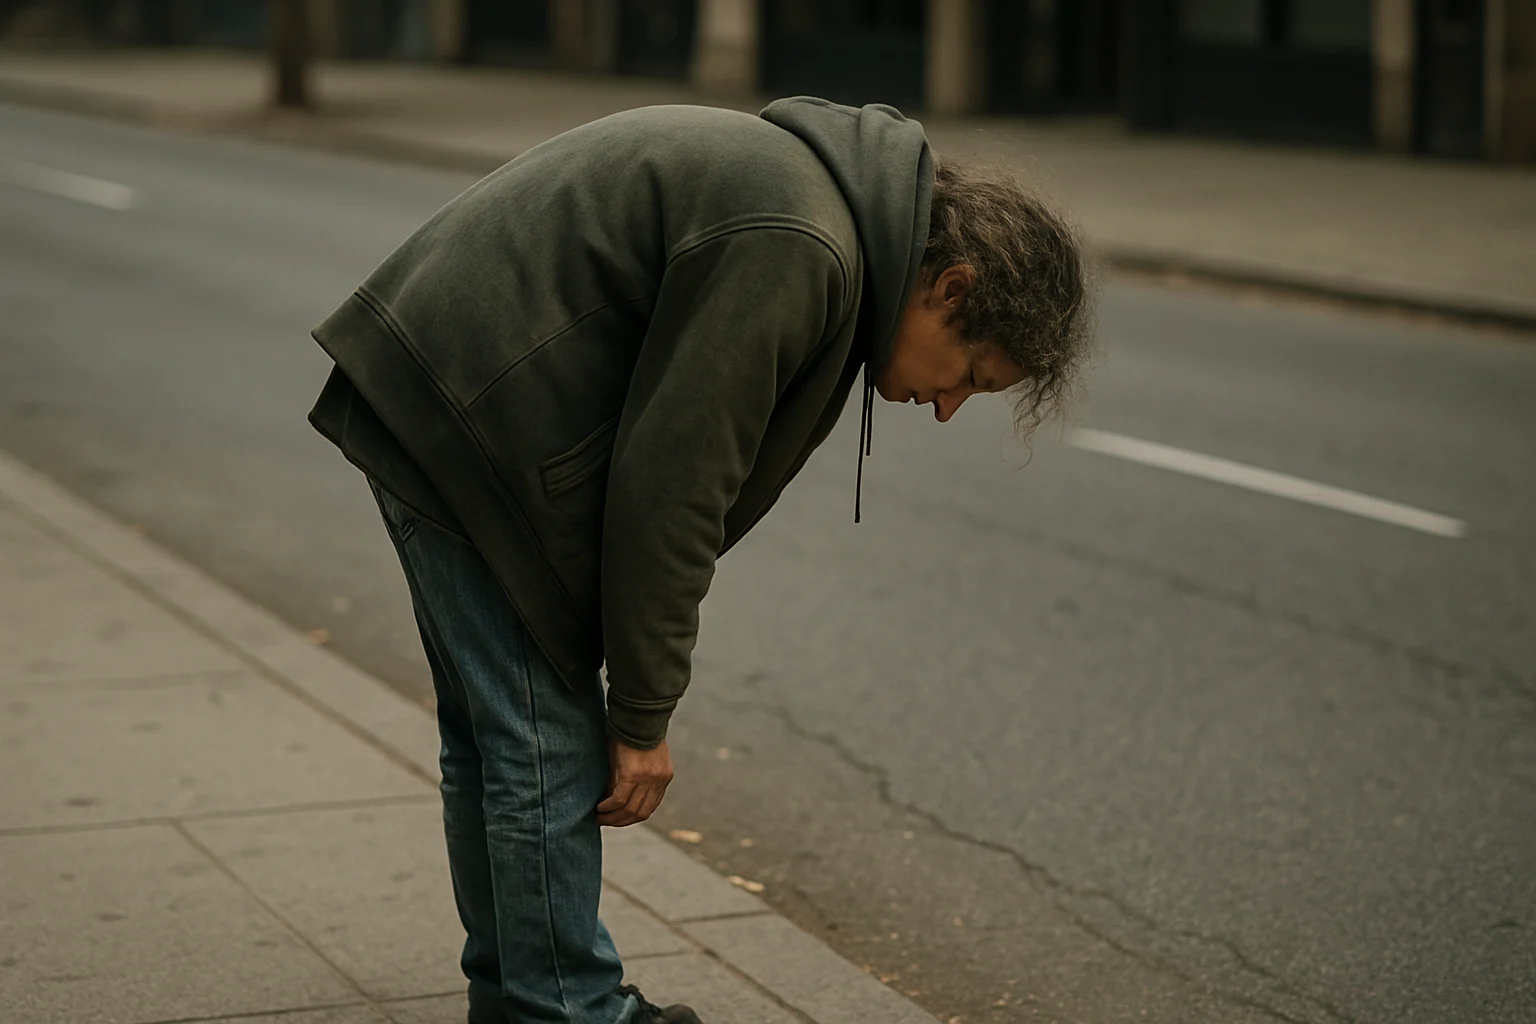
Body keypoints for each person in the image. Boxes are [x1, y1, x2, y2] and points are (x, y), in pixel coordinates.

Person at [307, 97, 1090, 1024]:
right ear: (951, 289)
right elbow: (672, 488)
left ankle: (523, 995)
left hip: (441, 390)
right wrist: (642, 713)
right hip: (467, 419)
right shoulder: (804, 247)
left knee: (497, 738)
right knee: (543, 740)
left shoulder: (828, 218)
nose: (951, 406)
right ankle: (567, 1010)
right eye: (971, 376)